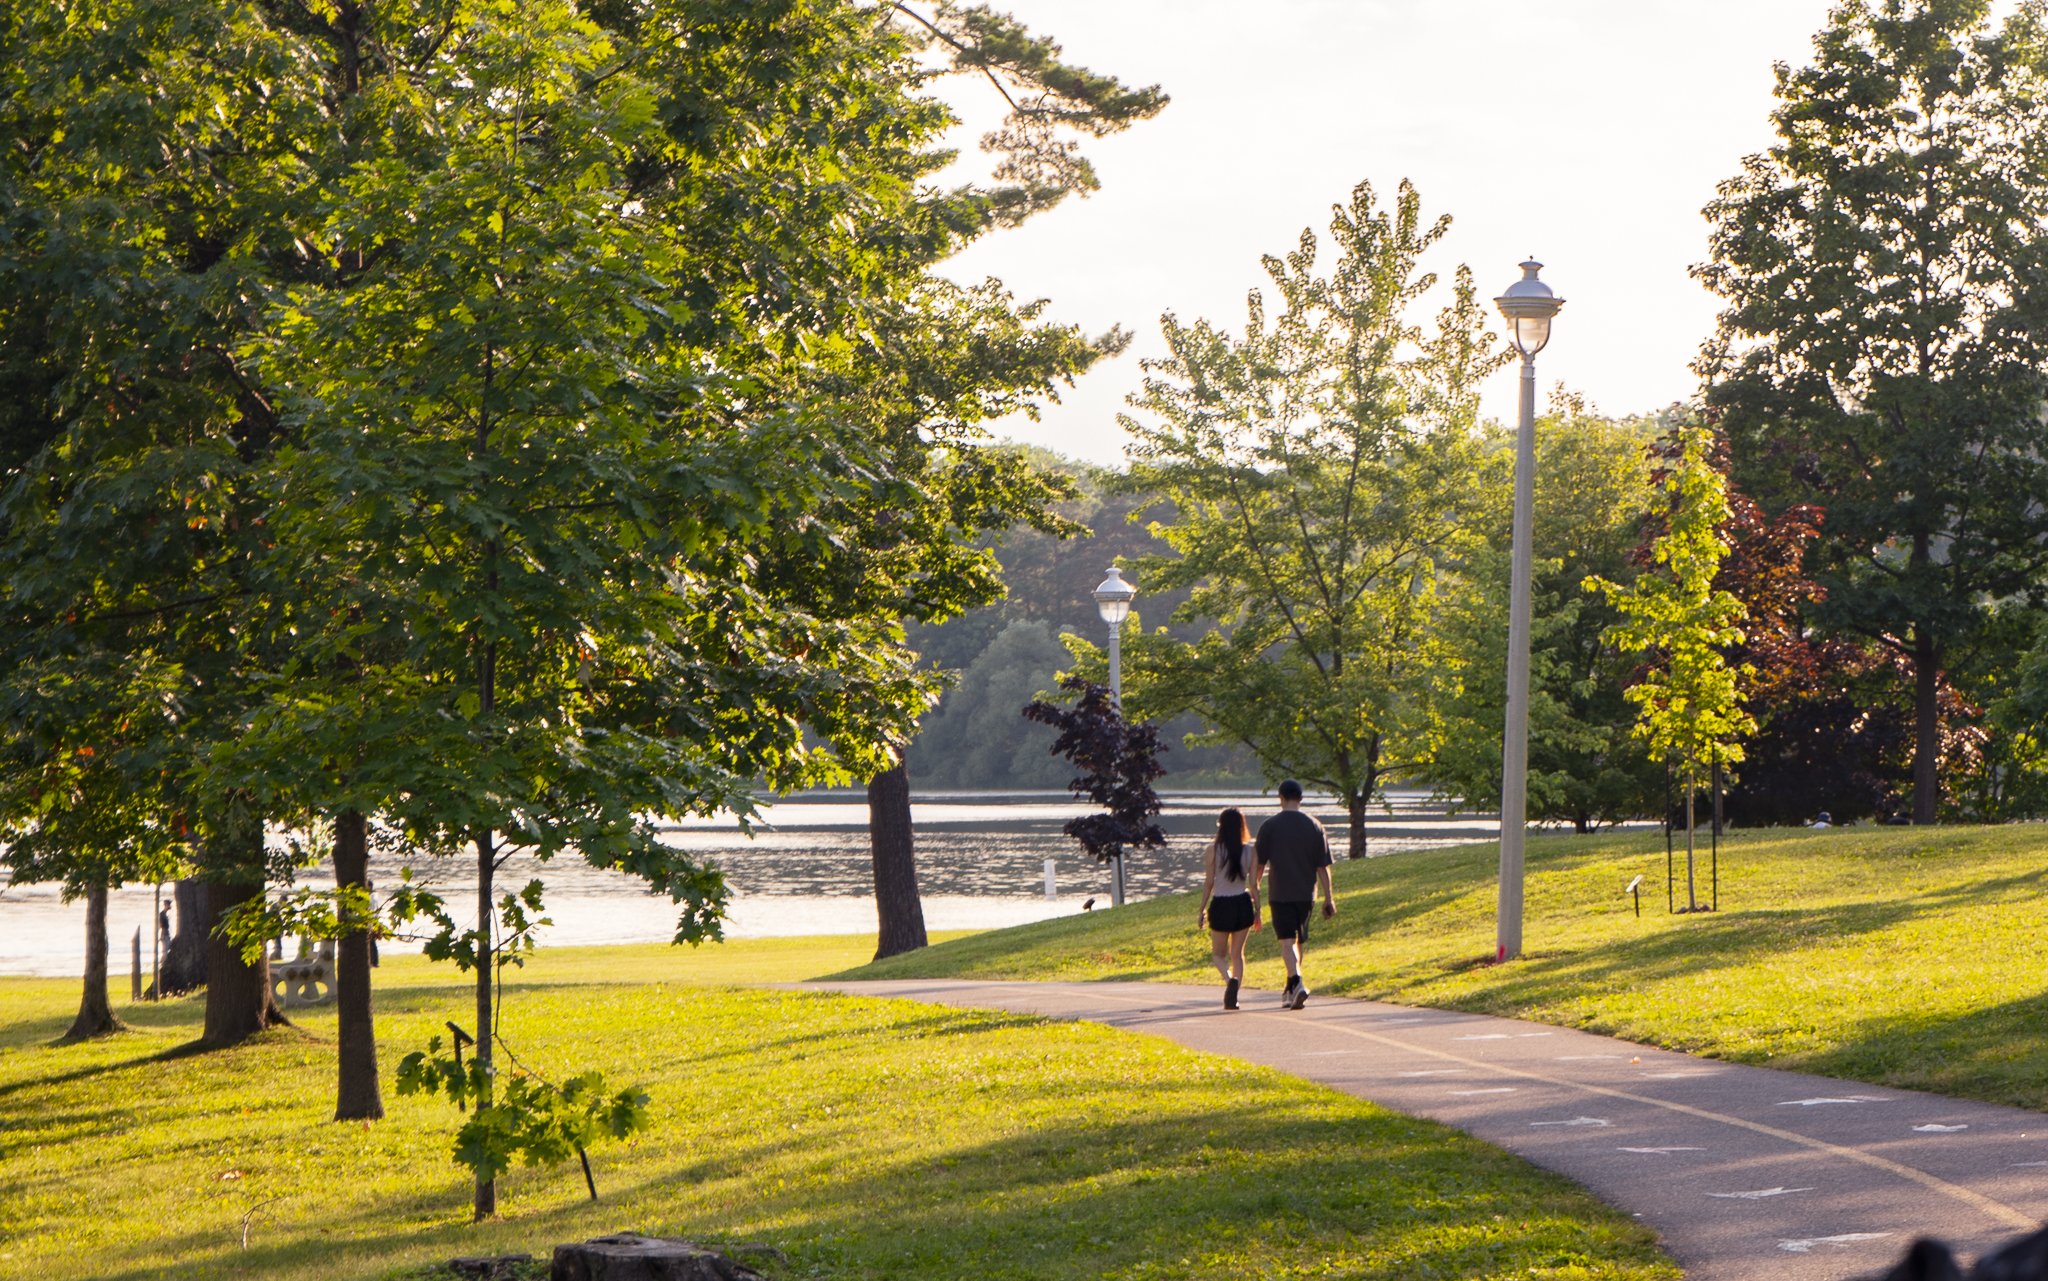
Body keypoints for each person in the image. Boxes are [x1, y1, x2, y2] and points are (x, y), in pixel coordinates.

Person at [1255, 779, 1335, 1009]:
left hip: (1280, 893)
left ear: (1280, 798)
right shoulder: (1315, 826)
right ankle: (1290, 989)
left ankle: (1297, 982)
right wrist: (1329, 898)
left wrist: (1255, 890)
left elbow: (1259, 865)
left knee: (1287, 941)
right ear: (1301, 798)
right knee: (1298, 941)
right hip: (1306, 894)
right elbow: (1323, 867)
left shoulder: (1269, 826)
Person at [1198, 807, 1261, 1009]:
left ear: (1221, 826)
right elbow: (1254, 885)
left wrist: (1201, 909)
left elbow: (1209, 883)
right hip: (1242, 903)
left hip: (1221, 903)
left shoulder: (1212, 851)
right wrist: (1258, 909)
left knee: (1218, 954)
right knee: (1237, 954)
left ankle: (1229, 981)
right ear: (1242, 826)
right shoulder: (1250, 851)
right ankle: (1234, 993)